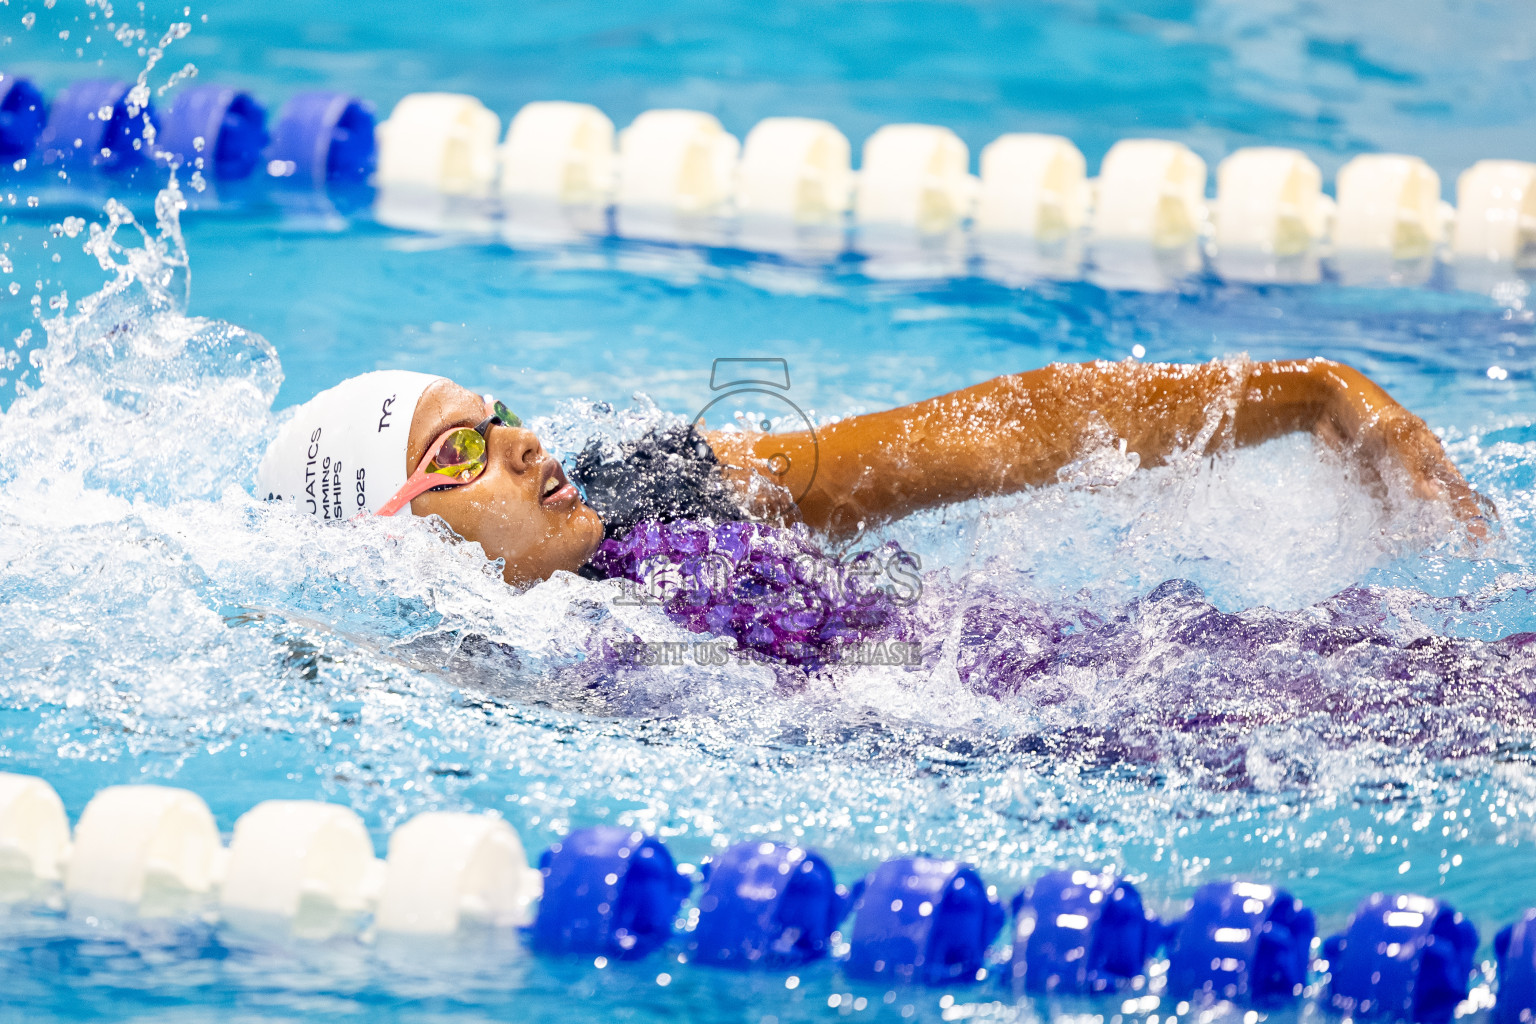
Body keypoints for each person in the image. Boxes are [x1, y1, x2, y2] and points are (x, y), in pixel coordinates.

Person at [256, 358, 1491, 590]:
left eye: (499, 414)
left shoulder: (653, 488)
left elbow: (971, 438)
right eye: (458, 453)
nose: (527, 444)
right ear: (393, 529)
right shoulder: (444, 676)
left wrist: (1302, 393)